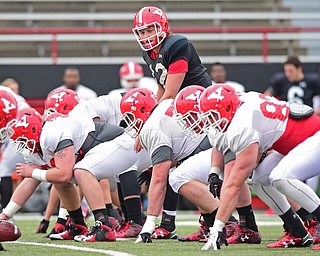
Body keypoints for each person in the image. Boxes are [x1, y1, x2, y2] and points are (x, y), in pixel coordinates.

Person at [196, 84, 320, 250]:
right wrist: (214, 173)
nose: (210, 121)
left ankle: (316, 221)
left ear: (226, 108)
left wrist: (217, 228)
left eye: (212, 116)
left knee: (281, 177)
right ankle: (295, 229)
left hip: (314, 137)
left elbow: (234, 183)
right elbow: (221, 146)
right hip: (294, 143)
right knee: (258, 177)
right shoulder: (239, 104)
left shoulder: (242, 125)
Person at [120, 88, 217, 244]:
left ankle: (227, 222)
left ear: (144, 111)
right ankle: (214, 224)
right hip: (208, 140)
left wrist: (149, 224)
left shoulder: (152, 129)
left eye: (130, 117)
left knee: (177, 178)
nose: (130, 123)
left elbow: (159, 179)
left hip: (209, 143)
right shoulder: (161, 108)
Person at [172, 85, 261, 244]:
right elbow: (218, 145)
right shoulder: (218, 115)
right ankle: (246, 226)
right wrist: (213, 172)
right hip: (252, 143)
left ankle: (228, 223)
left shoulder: (228, 115)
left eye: (190, 116)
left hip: (266, 142)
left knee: (270, 178)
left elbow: (225, 145)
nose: (187, 122)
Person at [132, 6, 212, 103]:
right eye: (142, 32)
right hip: (179, 102)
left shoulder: (176, 46)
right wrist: (153, 107)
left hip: (198, 98)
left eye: (150, 31)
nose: (146, 36)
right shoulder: (148, 53)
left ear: (162, 27)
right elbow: (162, 87)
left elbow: (170, 95)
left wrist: (155, 113)